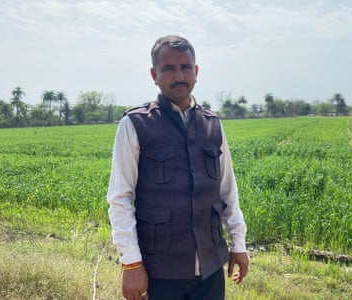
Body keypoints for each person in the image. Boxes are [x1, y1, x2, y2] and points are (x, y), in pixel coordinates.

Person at [107, 35, 249, 300]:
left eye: (185, 67)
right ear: (154, 74)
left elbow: (228, 190)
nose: (179, 75)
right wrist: (131, 263)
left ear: (195, 72)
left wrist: (238, 244)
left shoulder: (212, 124)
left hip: (210, 269)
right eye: (169, 68)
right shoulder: (135, 124)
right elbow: (120, 198)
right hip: (159, 271)